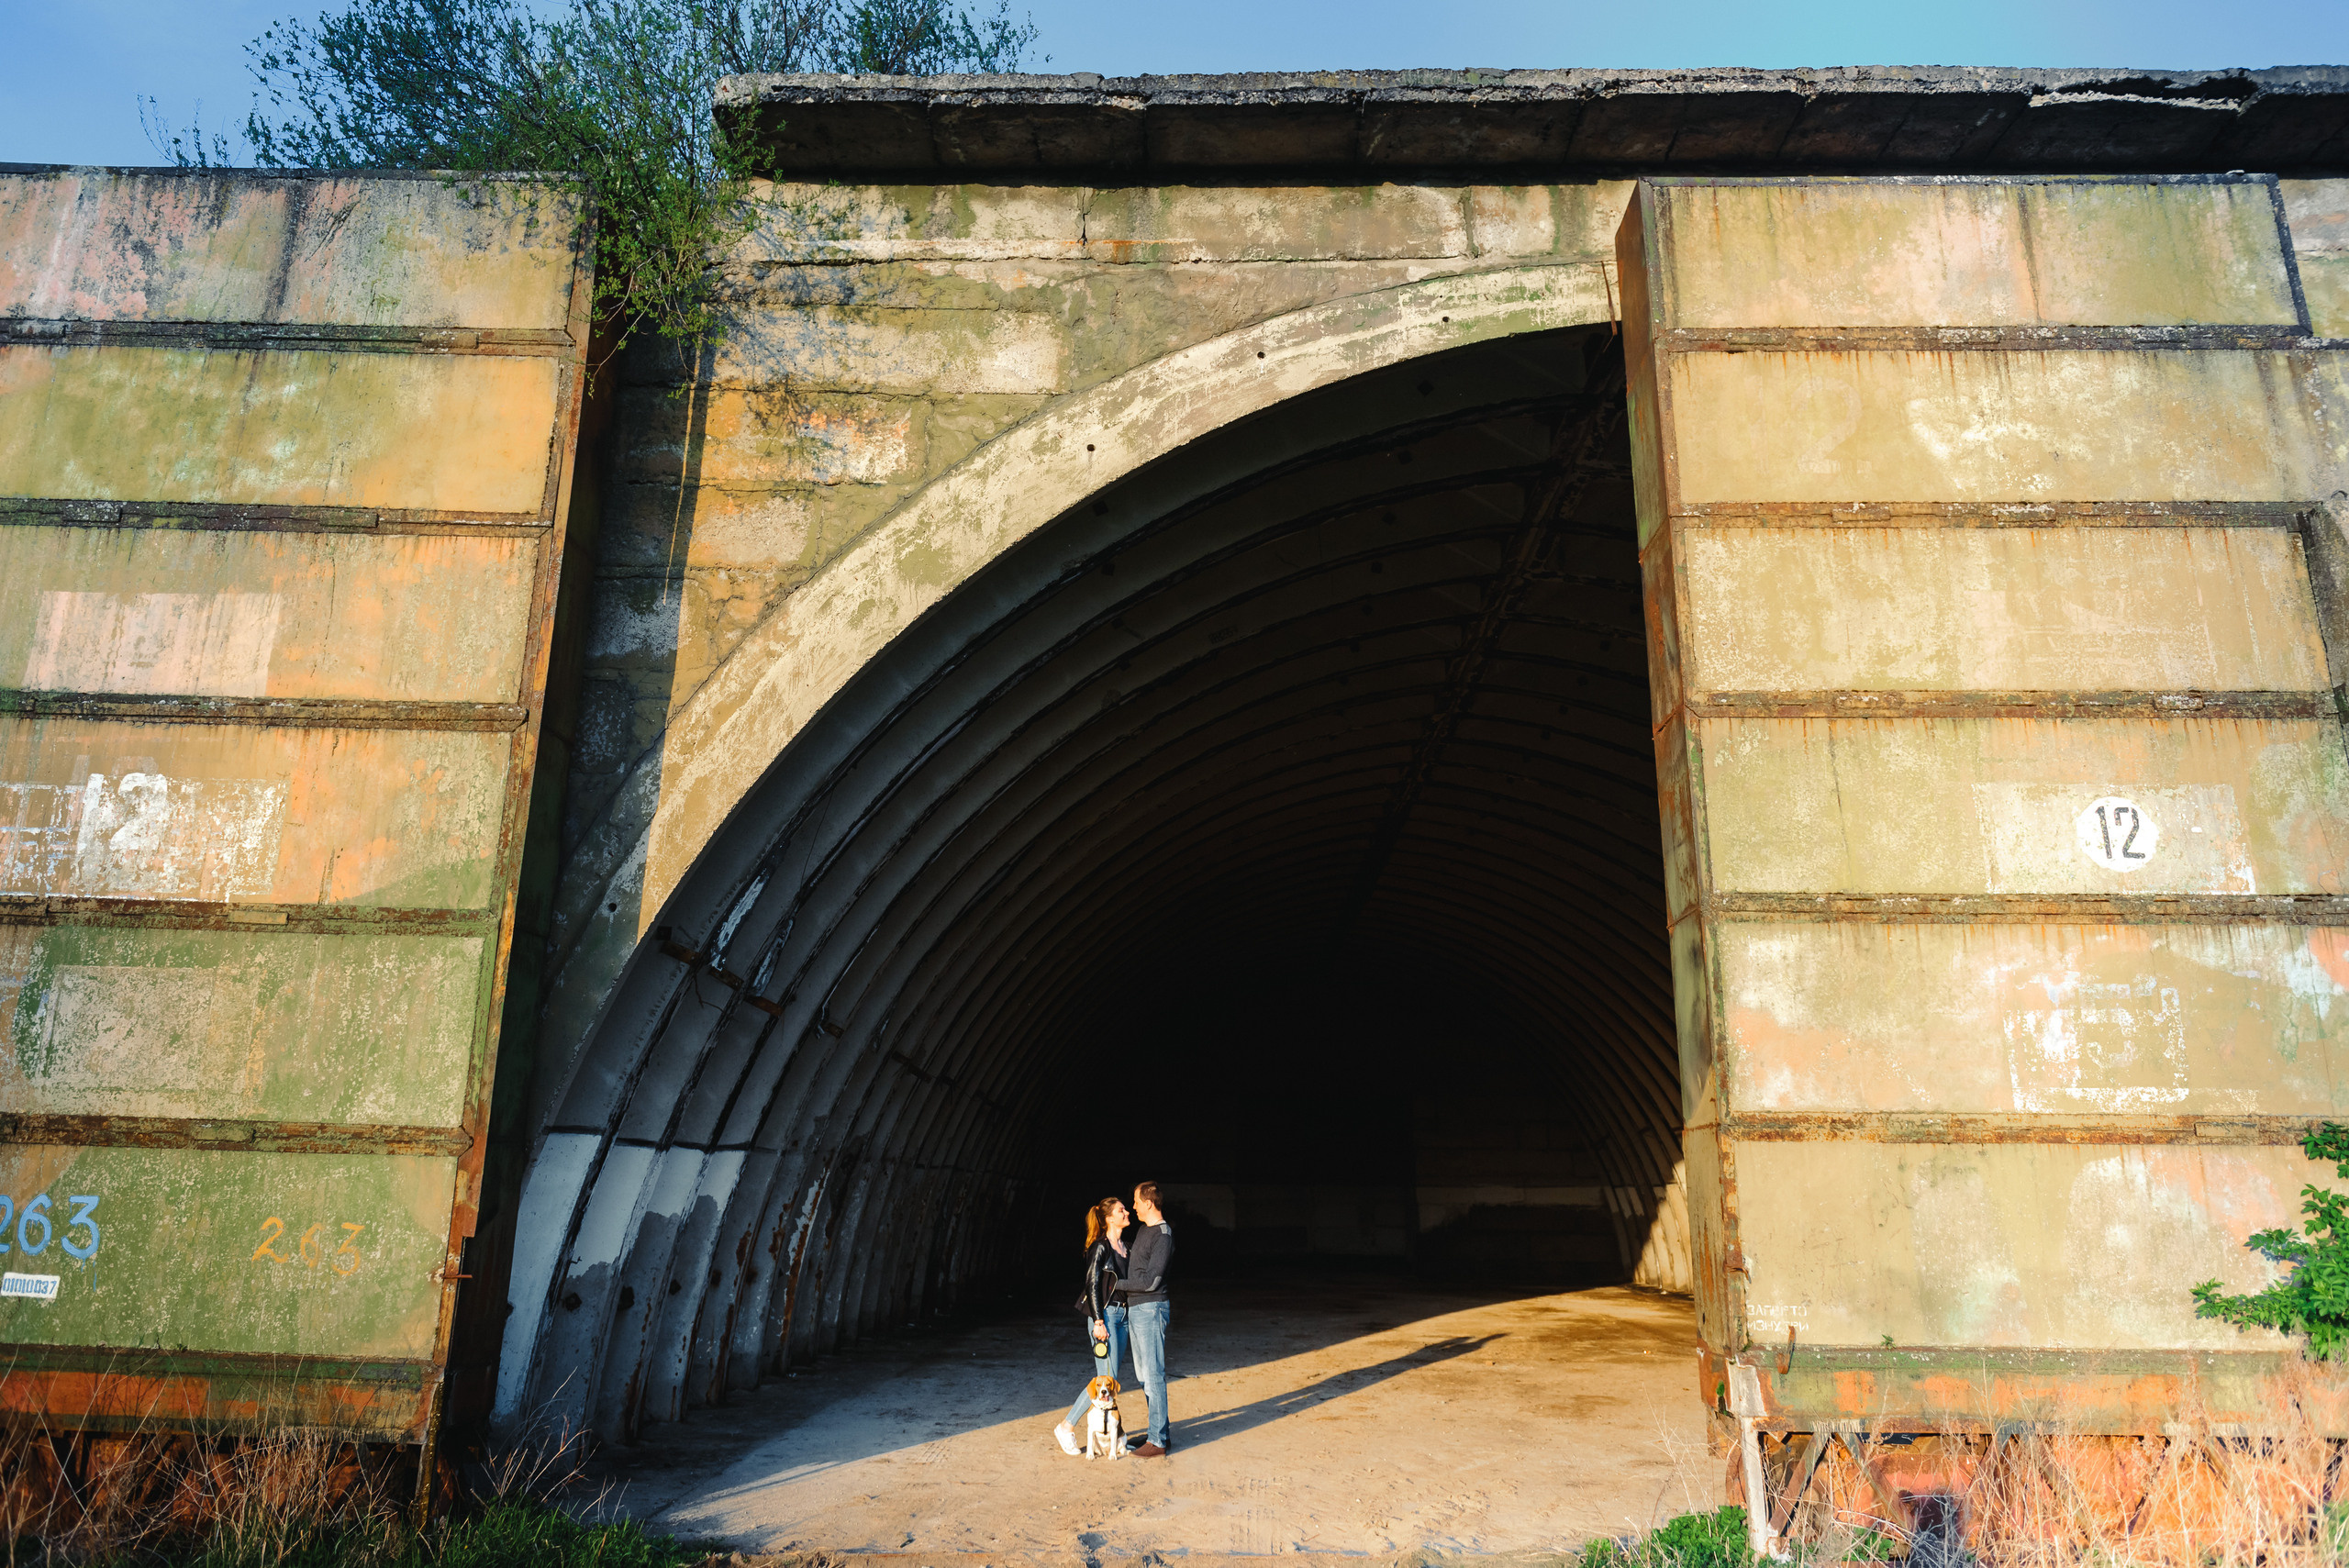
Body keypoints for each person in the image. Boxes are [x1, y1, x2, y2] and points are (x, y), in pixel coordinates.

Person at [1052, 1195, 1129, 1456]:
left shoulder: (1124, 1247)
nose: (1126, 1212)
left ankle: (1109, 1430)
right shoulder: (1101, 1247)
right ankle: (1067, 1425)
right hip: (1104, 1318)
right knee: (1104, 1380)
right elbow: (1092, 1284)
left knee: (1111, 1380)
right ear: (1109, 1218)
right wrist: (1098, 1321)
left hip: (1122, 1318)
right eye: (1121, 1210)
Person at [1119, 1181, 1175, 1457]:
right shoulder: (1143, 1230)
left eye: (1137, 1202)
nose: (1133, 1206)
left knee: (1153, 1375)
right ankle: (1158, 1431)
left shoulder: (1163, 1234)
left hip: (1151, 1309)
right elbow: (1136, 1263)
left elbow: (1152, 1281)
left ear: (1149, 1203)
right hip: (1138, 1309)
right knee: (1143, 1376)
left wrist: (1115, 1284)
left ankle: (1158, 1441)